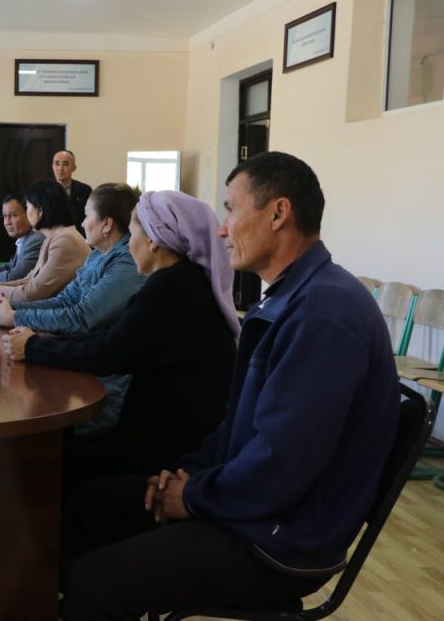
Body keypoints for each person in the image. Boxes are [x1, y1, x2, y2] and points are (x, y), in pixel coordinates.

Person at [60, 152, 398, 620]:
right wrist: (185, 475)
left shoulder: (323, 313)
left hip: (281, 539)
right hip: (253, 507)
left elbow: (280, 463)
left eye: (231, 209)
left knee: (94, 582)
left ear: (278, 213)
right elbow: (238, 426)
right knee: (89, 505)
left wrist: (192, 496)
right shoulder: (292, 298)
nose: (221, 230)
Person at [4, 190, 238, 480]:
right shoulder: (182, 281)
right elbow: (114, 336)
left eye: (134, 234)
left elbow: (108, 353)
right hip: (160, 436)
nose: (129, 245)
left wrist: (33, 347)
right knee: (52, 456)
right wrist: (39, 342)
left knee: (46, 470)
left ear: (153, 241)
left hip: (165, 454)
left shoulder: (170, 288)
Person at [0, 183, 145, 335]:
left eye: (87, 216)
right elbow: (66, 300)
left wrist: (15, 317)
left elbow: (82, 317)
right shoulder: (97, 254)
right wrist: (10, 307)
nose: (83, 224)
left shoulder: (127, 261)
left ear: (107, 224)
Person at [0, 180, 88, 303]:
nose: (27, 213)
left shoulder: (64, 240)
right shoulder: (53, 238)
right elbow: (28, 280)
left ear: (40, 211)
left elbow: (31, 293)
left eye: (27, 207)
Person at [52, 149, 92, 237]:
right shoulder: (45, 191)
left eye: (65, 164)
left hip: (79, 237)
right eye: (57, 164)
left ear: (74, 168)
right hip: (52, 237)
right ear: (52, 166)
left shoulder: (84, 190)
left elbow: (88, 217)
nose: (60, 169)